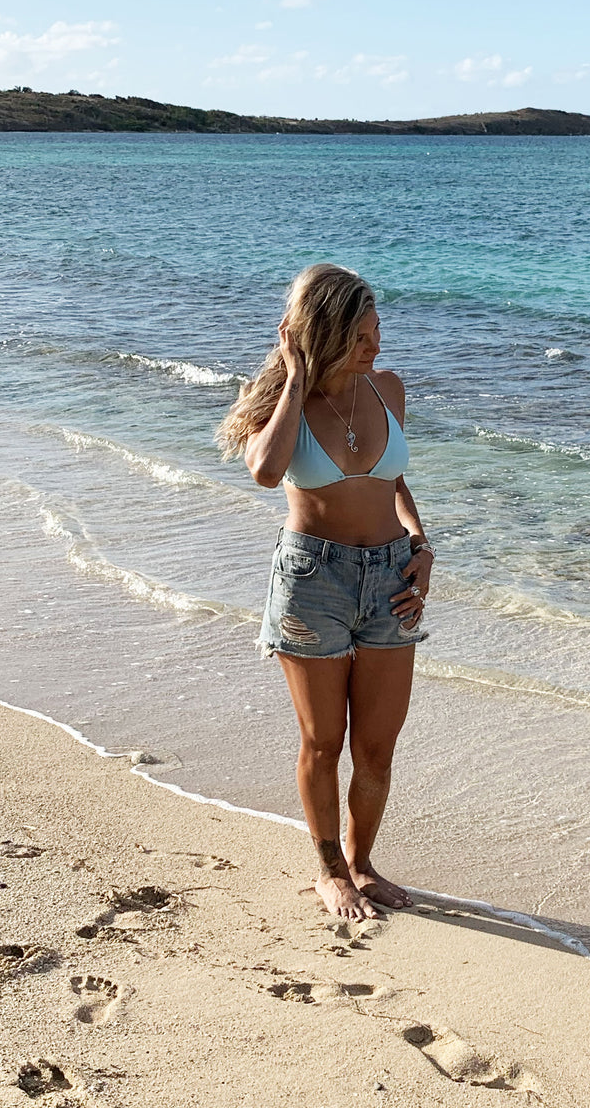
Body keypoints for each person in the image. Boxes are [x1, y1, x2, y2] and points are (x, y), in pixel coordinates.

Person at [217, 264, 433, 922]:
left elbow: (391, 484)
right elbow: (264, 470)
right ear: (330, 334)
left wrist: (421, 546)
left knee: (376, 747)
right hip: (314, 581)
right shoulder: (289, 404)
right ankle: (328, 871)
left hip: (393, 577)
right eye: (363, 336)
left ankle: (363, 866)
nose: (376, 346)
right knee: (322, 743)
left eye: (377, 332)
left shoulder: (388, 389)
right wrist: (296, 375)